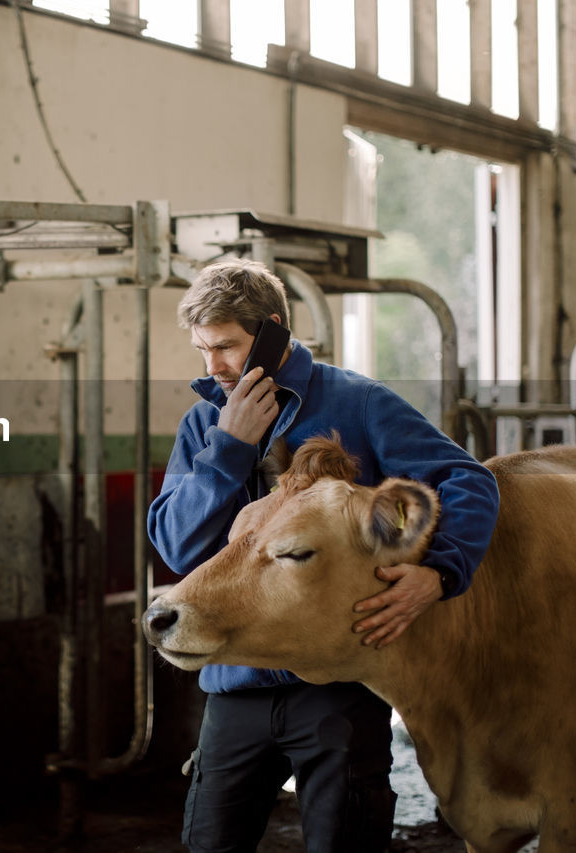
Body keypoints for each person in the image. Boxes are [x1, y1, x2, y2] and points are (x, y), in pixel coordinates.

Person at [147, 258, 499, 853]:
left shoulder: (360, 403)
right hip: (236, 680)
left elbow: (467, 481)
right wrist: (228, 449)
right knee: (210, 843)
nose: (214, 367)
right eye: (204, 350)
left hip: (338, 684)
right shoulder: (206, 422)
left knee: (344, 842)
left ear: (273, 331)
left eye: (227, 346)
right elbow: (178, 546)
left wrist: (440, 572)